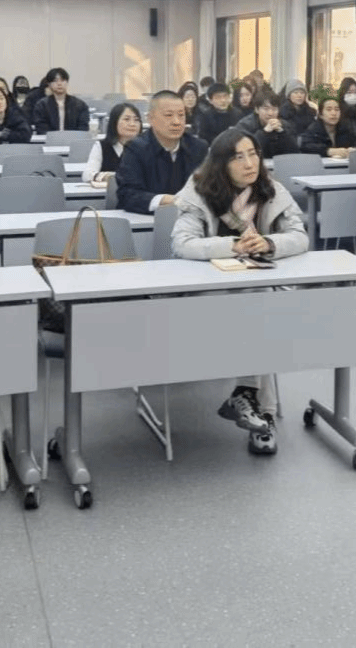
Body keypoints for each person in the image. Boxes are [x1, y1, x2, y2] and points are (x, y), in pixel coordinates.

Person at [171, 128, 308, 454]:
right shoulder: (199, 190)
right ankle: (260, 410)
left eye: (253, 154)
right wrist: (233, 245)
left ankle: (250, 400)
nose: (249, 163)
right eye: (238, 157)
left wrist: (269, 242)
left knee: (262, 309)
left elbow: (300, 235)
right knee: (263, 315)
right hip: (208, 295)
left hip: (257, 291)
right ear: (221, 163)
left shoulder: (271, 189)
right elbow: (181, 243)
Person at [115, 90, 208, 214]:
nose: (176, 122)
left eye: (181, 115)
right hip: (146, 220)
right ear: (150, 119)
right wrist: (166, 200)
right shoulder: (135, 148)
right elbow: (127, 195)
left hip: (190, 219)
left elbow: (209, 189)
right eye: (168, 115)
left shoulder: (198, 147)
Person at [82, 102, 143, 183]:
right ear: (114, 122)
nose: (132, 124)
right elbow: (87, 175)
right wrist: (107, 177)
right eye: (126, 119)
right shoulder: (101, 146)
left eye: (136, 120)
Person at [235, 89, 299, 158]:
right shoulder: (245, 125)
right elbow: (244, 150)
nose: (270, 113)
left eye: (274, 109)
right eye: (266, 109)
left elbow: (295, 153)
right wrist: (264, 133)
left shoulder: (285, 125)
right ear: (256, 109)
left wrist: (282, 133)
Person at [32, 67, 89, 134]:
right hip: (50, 140)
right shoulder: (41, 105)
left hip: (74, 139)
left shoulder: (80, 105)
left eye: (62, 80)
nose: (59, 84)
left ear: (67, 82)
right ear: (49, 84)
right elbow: (41, 128)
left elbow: (83, 129)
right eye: (55, 81)